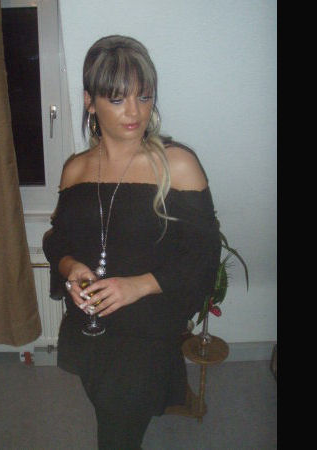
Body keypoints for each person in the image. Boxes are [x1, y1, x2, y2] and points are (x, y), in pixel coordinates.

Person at [43, 35, 221, 449]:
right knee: (107, 408)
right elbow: (59, 242)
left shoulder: (177, 165)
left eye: (144, 96)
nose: (135, 111)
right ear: (90, 102)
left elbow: (203, 255)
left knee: (117, 433)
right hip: (92, 323)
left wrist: (137, 286)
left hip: (147, 327)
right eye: (118, 98)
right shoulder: (75, 170)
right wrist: (72, 269)